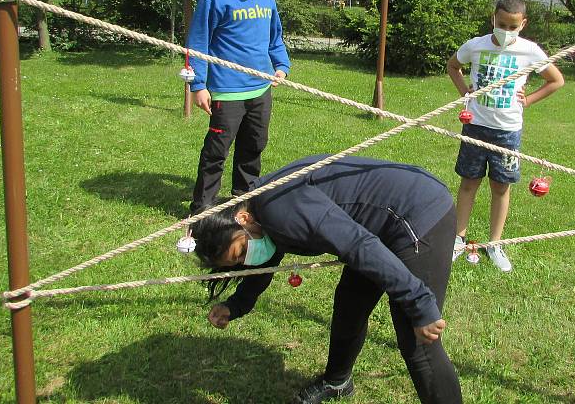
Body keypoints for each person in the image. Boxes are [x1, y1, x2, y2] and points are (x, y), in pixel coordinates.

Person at [190, 155, 462, 404]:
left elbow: (357, 245)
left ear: (243, 218)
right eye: (237, 263)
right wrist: (235, 305)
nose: (246, 261)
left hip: (417, 213)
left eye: (239, 253)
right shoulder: (262, 213)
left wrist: (419, 301)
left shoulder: (279, 210)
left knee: (418, 342)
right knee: (350, 304)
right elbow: (265, 261)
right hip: (376, 227)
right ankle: (337, 381)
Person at [446, 0, 564, 272]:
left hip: (507, 131)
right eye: (501, 25)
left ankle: (495, 243)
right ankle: (458, 239)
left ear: (523, 24)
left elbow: (556, 80)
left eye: (513, 27)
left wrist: (529, 99)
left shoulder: (531, 52)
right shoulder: (475, 46)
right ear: (493, 20)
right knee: (469, 182)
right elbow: (453, 65)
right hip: (475, 125)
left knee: (501, 187)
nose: (506, 31)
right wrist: (465, 92)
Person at [186, 0, 290, 214]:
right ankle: (202, 209)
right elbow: (198, 40)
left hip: (260, 87)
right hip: (226, 90)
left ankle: (242, 202)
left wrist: (281, 64)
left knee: (254, 146)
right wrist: (198, 85)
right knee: (216, 151)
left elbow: (274, 35)